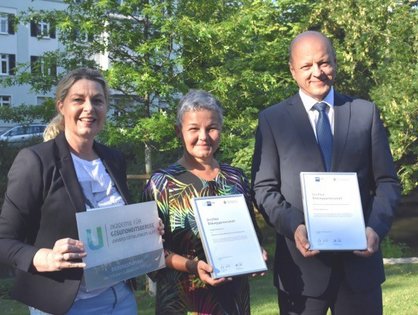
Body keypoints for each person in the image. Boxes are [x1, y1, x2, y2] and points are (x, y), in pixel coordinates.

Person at [251, 31, 401, 315]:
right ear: (292, 70)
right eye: (307, 66)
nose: (317, 72)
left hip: (360, 269)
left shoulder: (364, 113)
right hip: (301, 274)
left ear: (335, 63)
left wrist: (375, 228)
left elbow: (387, 183)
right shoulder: (273, 120)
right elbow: (264, 188)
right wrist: (294, 225)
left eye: (324, 63)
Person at [0, 68, 143, 314]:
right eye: (79, 99)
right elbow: (4, 240)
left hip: (120, 298)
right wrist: (43, 257)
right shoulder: (36, 161)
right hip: (66, 303)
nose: (89, 108)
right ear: (61, 106)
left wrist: (144, 229)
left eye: (97, 100)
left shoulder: (114, 159)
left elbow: (115, 226)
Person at [143, 89, 265, 314]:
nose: (203, 136)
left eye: (212, 128)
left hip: (233, 300)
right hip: (184, 302)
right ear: (179, 131)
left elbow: (251, 234)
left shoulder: (235, 178)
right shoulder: (161, 183)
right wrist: (191, 266)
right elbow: (150, 252)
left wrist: (256, 253)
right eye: (193, 129)